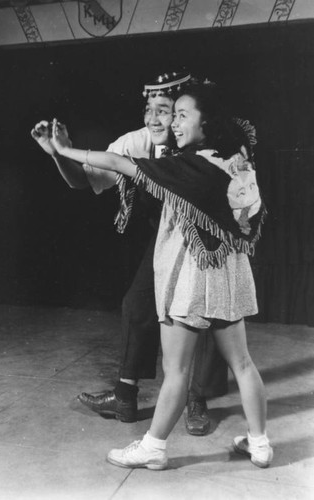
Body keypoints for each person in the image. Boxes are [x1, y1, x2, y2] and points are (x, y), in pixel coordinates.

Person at [49, 79, 274, 470]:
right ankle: (259, 444)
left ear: (207, 122)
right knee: (242, 362)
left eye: (182, 115)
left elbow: (121, 164)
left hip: (194, 277)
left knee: (176, 370)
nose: (174, 124)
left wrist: (65, 149)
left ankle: (153, 446)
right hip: (230, 275)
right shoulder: (235, 156)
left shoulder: (191, 166)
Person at [31, 72, 228, 435]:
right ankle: (125, 396)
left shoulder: (204, 147)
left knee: (204, 312)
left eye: (165, 111)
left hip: (206, 239)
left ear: (185, 116)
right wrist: (58, 152)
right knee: (137, 304)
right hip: (166, 235)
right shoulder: (137, 141)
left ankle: (196, 399)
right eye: (149, 110)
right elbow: (85, 178)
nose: (154, 119)